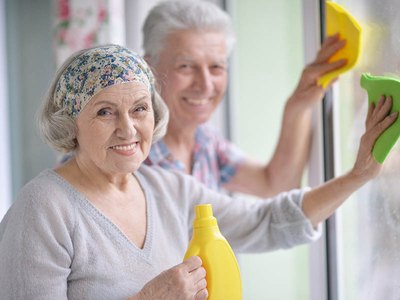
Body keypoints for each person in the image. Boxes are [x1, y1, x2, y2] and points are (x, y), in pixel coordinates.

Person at [0, 44, 396, 300]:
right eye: (105, 111)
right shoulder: (44, 208)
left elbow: (267, 220)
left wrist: (358, 175)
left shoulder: (168, 189)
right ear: (71, 123)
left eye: (139, 108)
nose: (128, 128)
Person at [143, 0, 348, 197]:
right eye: (185, 67)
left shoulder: (205, 140)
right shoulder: (132, 154)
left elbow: (274, 185)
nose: (205, 85)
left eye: (216, 67)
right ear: (149, 68)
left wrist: (298, 106)